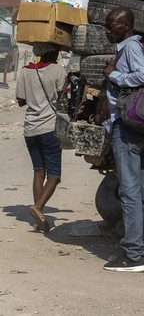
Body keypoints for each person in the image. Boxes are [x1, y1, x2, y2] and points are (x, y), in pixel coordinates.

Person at [102, 6, 144, 273]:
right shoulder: (140, 47)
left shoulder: (129, 48)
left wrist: (113, 75)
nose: (107, 30)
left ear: (126, 26)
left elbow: (142, 77)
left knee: (129, 191)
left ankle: (133, 255)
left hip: (128, 126)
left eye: (112, 25)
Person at [16, 43, 67, 233]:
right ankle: (38, 208)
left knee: (39, 171)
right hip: (49, 128)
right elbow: (63, 98)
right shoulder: (58, 71)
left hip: (30, 129)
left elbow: (21, 101)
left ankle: (39, 221)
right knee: (54, 175)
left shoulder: (25, 71)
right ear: (53, 52)